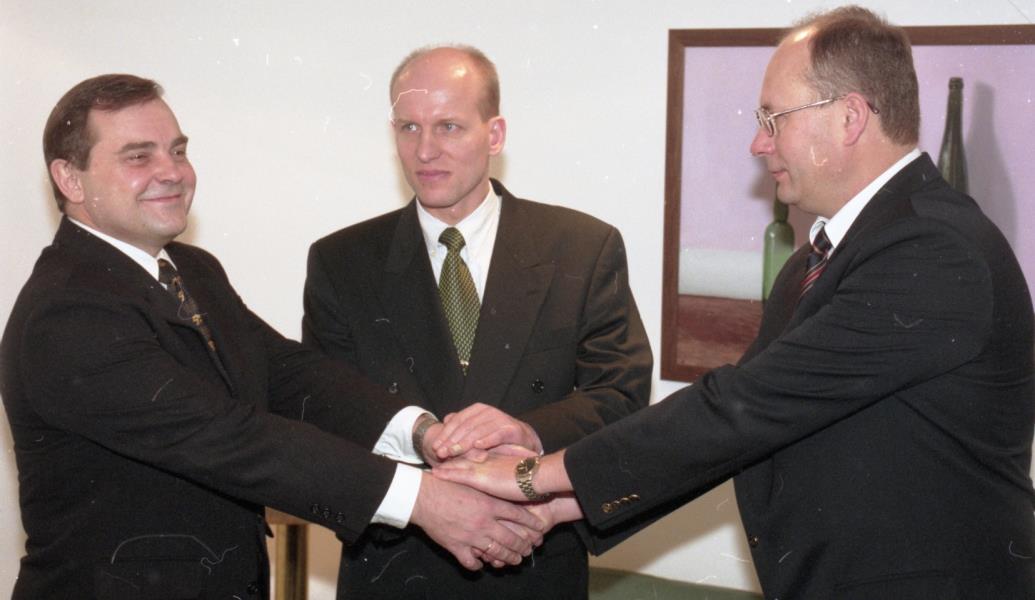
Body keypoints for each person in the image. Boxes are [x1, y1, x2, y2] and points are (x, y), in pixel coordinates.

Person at [435, 7, 1035, 599]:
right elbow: (738, 427)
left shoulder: (933, 248)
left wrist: (532, 476)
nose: (757, 143)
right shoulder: (815, 260)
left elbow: (741, 408)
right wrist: (561, 505)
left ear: (850, 117)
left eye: (774, 119)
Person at [0, 74, 545, 600]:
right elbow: (229, 437)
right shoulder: (67, 311)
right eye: (139, 157)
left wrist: (425, 434)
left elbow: (287, 373)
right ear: (70, 179)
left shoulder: (192, 269)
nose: (172, 172)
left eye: (178, 150)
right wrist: (422, 499)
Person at [303, 45, 651, 599]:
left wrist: (528, 433)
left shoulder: (582, 248)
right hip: (395, 570)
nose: (425, 150)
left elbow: (622, 397)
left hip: (534, 561)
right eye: (409, 127)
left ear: (495, 135)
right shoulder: (343, 262)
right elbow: (328, 415)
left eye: (449, 126)